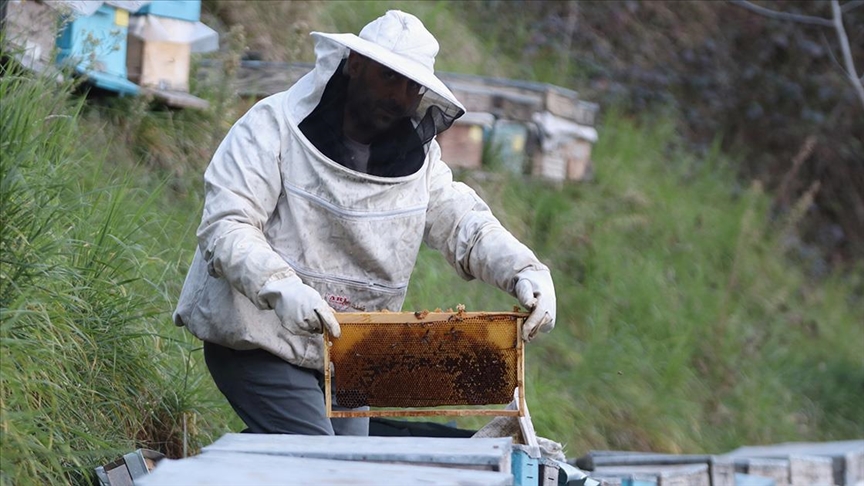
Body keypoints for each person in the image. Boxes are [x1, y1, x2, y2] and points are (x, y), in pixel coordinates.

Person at [173, 10, 556, 437]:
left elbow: (464, 222)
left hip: (354, 354)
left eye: (412, 87)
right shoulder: (273, 126)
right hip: (257, 337)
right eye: (388, 78)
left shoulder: (419, 163)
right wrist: (280, 285)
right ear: (355, 65)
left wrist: (523, 269)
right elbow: (227, 223)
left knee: (356, 466)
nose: (399, 97)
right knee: (324, 462)